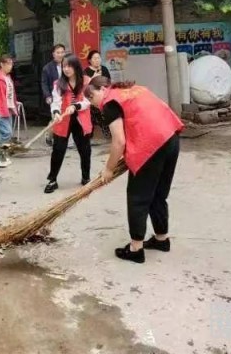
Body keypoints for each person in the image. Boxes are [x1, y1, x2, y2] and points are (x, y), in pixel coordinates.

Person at [84, 76, 184, 264]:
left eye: (91, 97)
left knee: (138, 197)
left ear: (102, 90)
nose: (93, 103)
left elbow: (119, 141)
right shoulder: (133, 89)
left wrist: (108, 169)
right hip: (170, 138)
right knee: (158, 195)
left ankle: (135, 248)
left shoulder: (110, 103)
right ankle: (161, 239)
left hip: (151, 146)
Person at [45, 54, 92, 193]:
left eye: (69, 66)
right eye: (64, 66)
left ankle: (86, 178)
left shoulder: (86, 81)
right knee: (58, 150)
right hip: (63, 119)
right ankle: (52, 180)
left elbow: (88, 101)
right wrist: (56, 113)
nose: (66, 69)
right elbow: (55, 101)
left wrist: (76, 106)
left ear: (76, 67)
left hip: (81, 119)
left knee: (85, 150)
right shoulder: (58, 84)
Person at [41, 44, 70, 147]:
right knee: (56, 118)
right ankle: (49, 135)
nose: (60, 55)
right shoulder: (47, 68)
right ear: (53, 54)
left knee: (66, 118)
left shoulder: (68, 65)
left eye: (62, 52)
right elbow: (44, 83)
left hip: (67, 96)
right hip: (54, 97)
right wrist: (48, 96)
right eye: (58, 52)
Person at [84, 50, 111, 140]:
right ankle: (89, 134)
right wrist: (93, 77)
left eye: (98, 58)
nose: (97, 60)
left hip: (103, 96)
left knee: (105, 114)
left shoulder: (104, 69)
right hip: (91, 98)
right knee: (91, 116)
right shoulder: (86, 71)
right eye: (95, 58)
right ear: (90, 60)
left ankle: (107, 132)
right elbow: (85, 86)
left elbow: (108, 82)